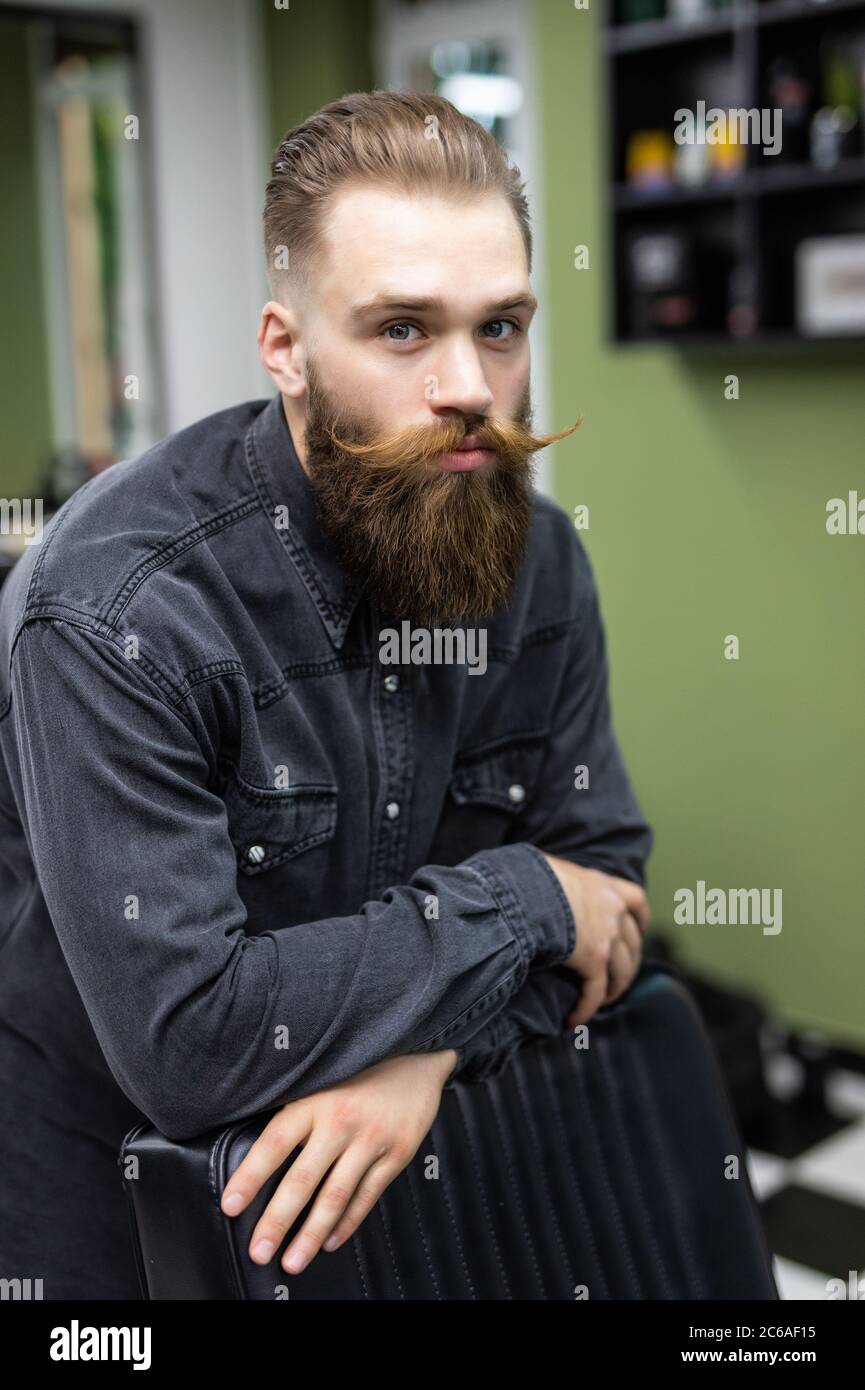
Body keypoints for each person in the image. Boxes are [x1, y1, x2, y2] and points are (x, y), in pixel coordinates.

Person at [0, 90, 652, 1300]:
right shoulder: (114, 607)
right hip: (115, 1216)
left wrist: (427, 1046)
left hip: (401, 1180)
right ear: (284, 346)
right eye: (403, 329)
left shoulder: (541, 562)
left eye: (500, 327)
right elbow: (192, 1041)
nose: (470, 386)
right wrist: (521, 901)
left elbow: (608, 888)